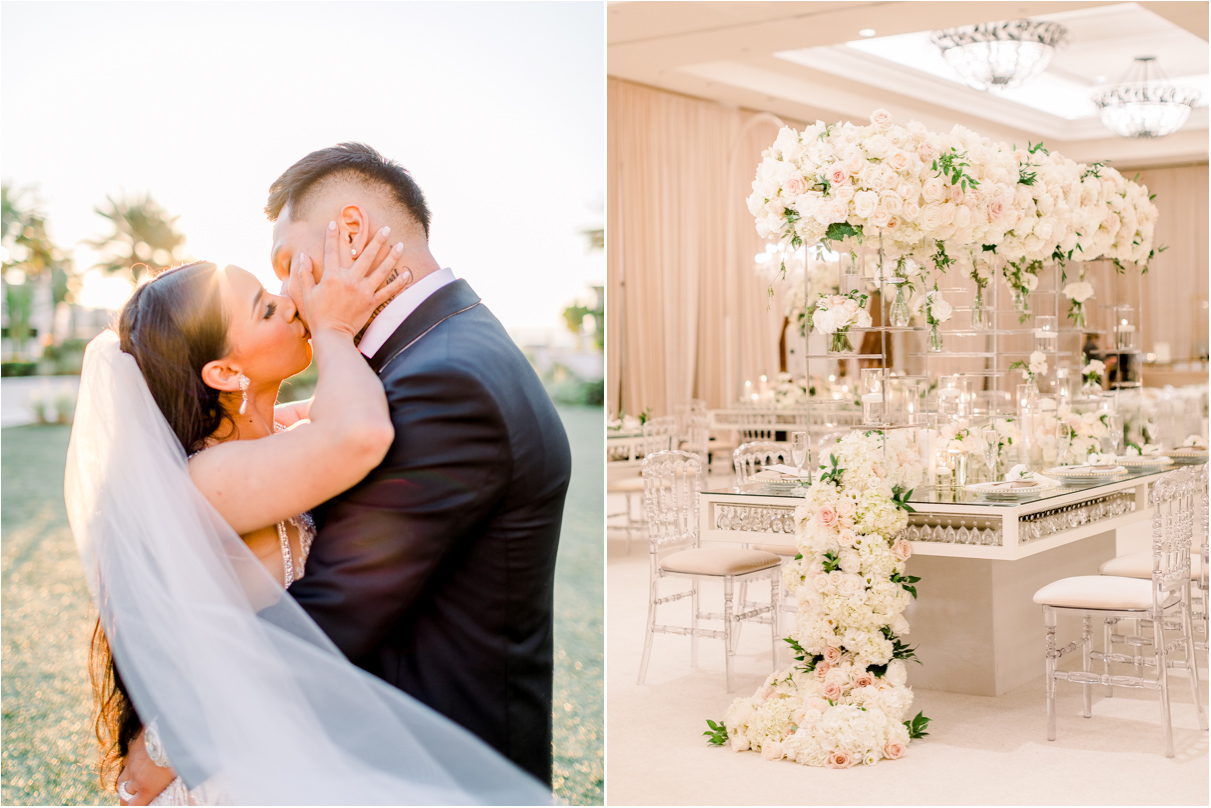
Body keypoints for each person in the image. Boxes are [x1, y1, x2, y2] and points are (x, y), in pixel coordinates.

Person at [115, 143, 572, 802]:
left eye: (284, 266)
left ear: (351, 233)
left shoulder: (443, 380)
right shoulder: (437, 351)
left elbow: (332, 613)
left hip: (437, 770)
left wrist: (172, 741)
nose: (289, 296)